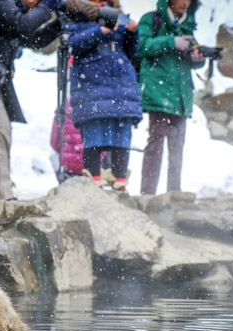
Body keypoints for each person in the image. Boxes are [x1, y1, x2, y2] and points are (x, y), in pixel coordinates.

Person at [0, 0, 64, 200]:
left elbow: (32, 39)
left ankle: (1, 193)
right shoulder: (1, 4)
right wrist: (48, 6)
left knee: (0, 134)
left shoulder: (16, 10)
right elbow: (21, 25)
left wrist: (59, 23)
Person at [68, 0, 143, 191]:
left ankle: (119, 179)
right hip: (93, 89)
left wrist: (132, 32)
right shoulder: (79, 20)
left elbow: (132, 51)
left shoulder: (119, 20)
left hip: (120, 89)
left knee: (121, 136)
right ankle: (94, 177)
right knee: (94, 134)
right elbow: (73, 45)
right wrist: (101, 31)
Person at [137, 0, 204, 195]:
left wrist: (197, 58)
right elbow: (141, 46)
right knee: (156, 144)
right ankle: (147, 194)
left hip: (181, 96)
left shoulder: (187, 25)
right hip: (159, 92)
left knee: (177, 147)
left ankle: (174, 193)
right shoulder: (152, 20)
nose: (185, 3)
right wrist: (171, 42)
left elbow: (191, 61)